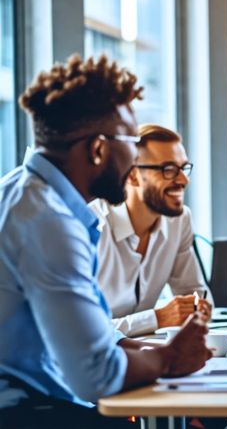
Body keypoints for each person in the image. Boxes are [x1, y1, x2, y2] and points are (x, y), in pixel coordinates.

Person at [0, 55, 211, 428]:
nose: (134, 159)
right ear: (98, 149)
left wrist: (164, 350)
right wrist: (168, 359)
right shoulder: (50, 224)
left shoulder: (22, 194)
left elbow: (96, 339)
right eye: (131, 143)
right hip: (24, 411)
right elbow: (96, 374)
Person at [91, 124, 212, 337]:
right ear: (132, 175)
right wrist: (157, 318)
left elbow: (194, 295)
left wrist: (197, 309)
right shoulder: (91, 227)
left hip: (149, 354)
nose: (184, 180)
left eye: (183, 168)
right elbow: (80, 332)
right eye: (168, 170)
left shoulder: (179, 220)